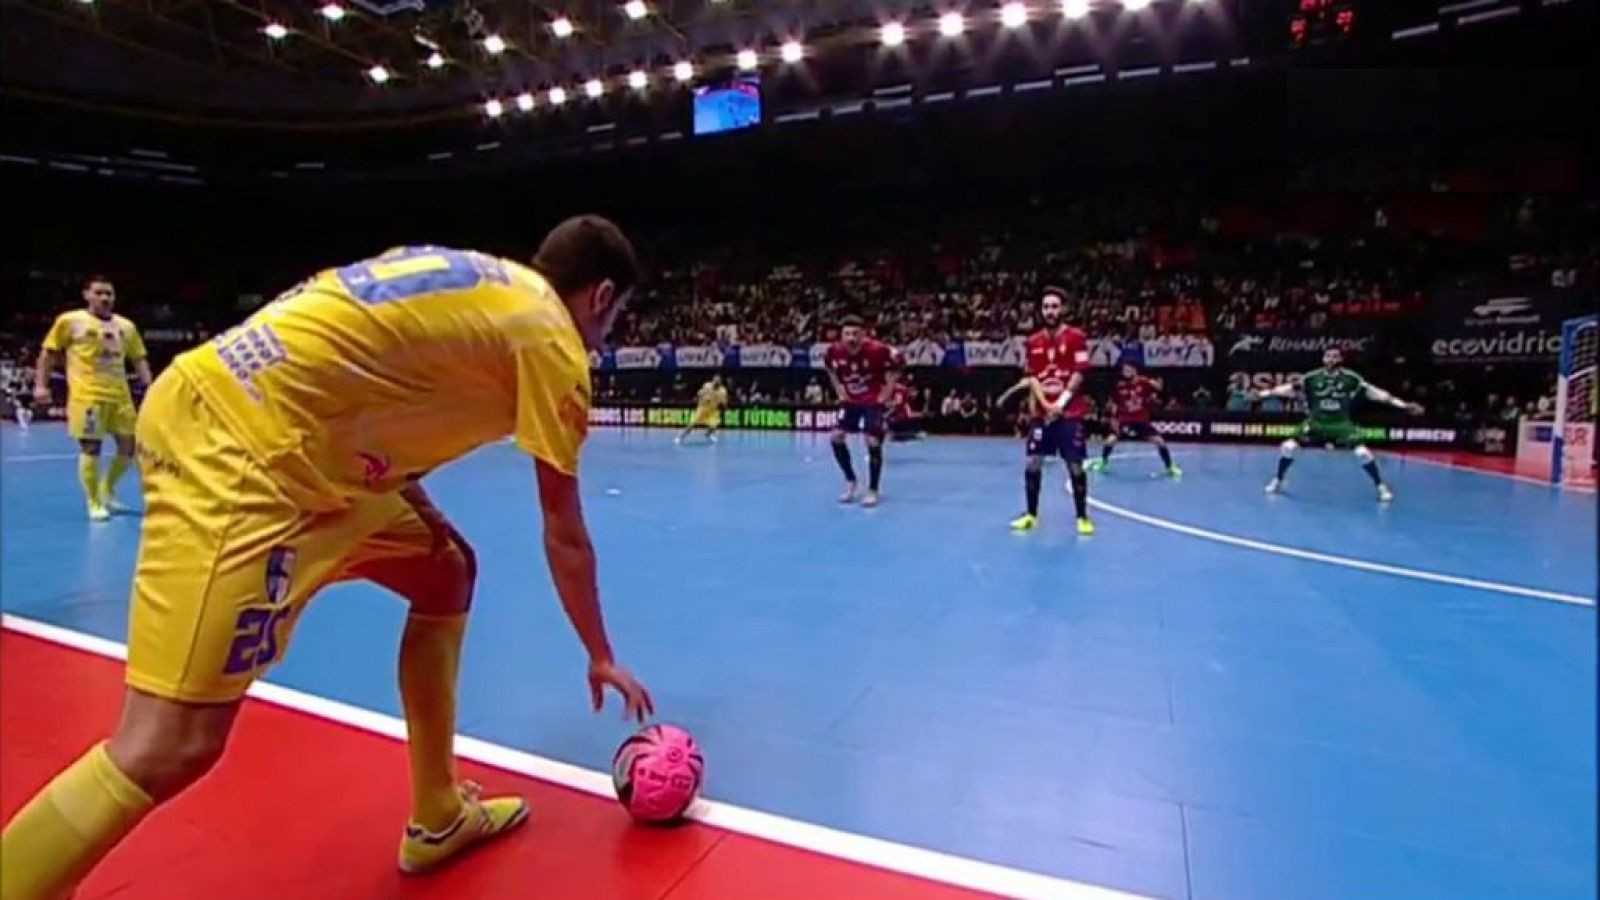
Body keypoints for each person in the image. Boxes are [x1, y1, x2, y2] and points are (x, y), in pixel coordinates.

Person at [0, 218, 656, 899]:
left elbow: (370, 381)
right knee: (168, 744)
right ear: (602, 296)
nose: (606, 336)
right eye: (616, 317)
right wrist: (599, 652)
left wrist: (421, 509)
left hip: (292, 440)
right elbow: (563, 529)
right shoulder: (552, 338)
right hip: (246, 455)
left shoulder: (486, 283)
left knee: (443, 570)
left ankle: (436, 817)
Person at [33, 276, 154, 520]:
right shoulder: (70, 321)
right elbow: (48, 355)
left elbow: (139, 359)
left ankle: (107, 489)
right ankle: (93, 501)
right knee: (91, 447)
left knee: (129, 447)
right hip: (87, 396)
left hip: (120, 396)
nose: (105, 298)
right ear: (86, 295)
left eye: (109, 294)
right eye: (98, 293)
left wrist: (151, 387)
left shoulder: (126, 326)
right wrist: (40, 386)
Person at [1253, 346, 1422, 503]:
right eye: (1328, 356)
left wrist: (1404, 405)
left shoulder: (1351, 378)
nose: (1331, 359)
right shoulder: (1312, 378)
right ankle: (1278, 480)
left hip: (1341, 423)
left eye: (1335, 356)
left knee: (1363, 453)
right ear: (1323, 359)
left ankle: (1380, 486)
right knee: (1288, 447)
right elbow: (1287, 389)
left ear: (1341, 359)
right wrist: (1261, 395)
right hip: (1316, 422)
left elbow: (1379, 395)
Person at [1010, 287, 1094, 536]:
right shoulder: (1033, 341)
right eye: (1046, 307)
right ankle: (1031, 515)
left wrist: (1061, 403)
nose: (1050, 311)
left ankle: (1082, 517)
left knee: (1075, 466)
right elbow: (1032, 379)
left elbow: (1079, 374)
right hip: (1042, 416)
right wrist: (1038, 409)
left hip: (1070, 413)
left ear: (1063, 309)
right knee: (1033, 465)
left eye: (1055, 306)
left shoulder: (1077, 337)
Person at [824, 316, 901, 506]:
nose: (851, 338)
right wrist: (839, 390)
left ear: (864, 335)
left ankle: (873, 490)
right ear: (841, 336)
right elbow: (829, 369)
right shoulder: (834, 351)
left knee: (872, 440)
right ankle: (851, 481)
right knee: (836, 437)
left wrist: (888, 390)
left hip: (873, 400)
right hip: (850, 400)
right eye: (847, 334)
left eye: (856, 334)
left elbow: (899, 363)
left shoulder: (878, 350)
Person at [1088, 362, 1181, 478]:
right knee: (1110, 440)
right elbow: (1115, 403)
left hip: (1141, 419)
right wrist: (1113, 418)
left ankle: (1170, 467)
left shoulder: (1144, 382)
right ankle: (1103, 462)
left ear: (1134, 370)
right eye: (1123, 370)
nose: (1125, 372)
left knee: (1159, 442)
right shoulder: (1120, 386)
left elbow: (1159, 389)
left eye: (1127, 369)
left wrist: (1157, 384)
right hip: (1125, 418)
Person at [675, 374, 728, 444]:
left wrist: (724, 406)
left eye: (718, 381)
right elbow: (699, 394)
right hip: (702, 409)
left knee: (714, 426)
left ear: (720, 382)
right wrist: (704, 397)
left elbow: (724, 403)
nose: (716, 382)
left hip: (712, 411)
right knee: (691, 425)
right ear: (713, 381)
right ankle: (679, 437)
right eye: (715, 381)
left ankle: (708, 435)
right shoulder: (707, 386)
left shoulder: (723, 391)